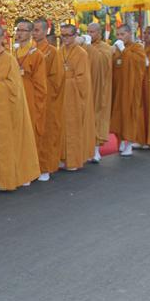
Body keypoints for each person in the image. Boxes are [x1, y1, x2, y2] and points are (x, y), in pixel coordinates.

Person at [0, 26, 40, 190]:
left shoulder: (8, 59)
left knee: (10, 143)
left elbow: (14, 87)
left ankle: (15, 176)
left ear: (2, 39)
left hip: (7, 109)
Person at [59, 24, 96, 170]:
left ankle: (74, 160)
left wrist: (66, 81)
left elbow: (83, 79)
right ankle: (63, 157)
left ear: (75, 36)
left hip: (74, 97)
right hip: (62, 96)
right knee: (62, 127)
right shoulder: (59, 51)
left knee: (73, 128)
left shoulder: (81, 53)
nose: (65, 38)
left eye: (68, 35)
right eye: (63, 35)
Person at [13, 20, 47, 176]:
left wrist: (38, 103)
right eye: (17, 30)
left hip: (30, 99)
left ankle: (32, 169)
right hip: (15, 99)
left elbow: (41, 85)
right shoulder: (12, 53)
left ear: (30, 33)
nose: (19, 33)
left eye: (23, 30)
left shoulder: (36, 54)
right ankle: (19, 168)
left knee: (31, 133)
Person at [32, 19, 63, 180]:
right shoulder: (29, 50)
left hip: (47, 98)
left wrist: (40, 84)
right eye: (33, 30)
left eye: (37, 30)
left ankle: (45, 167)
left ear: (45, 31)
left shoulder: (52, 51)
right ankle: (32, 166)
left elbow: (57, 79)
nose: (34, 33)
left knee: (46, 132)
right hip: (32, 97)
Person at [110, 25, 147, 156]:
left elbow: (138, 64)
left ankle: (129, 144)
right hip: (118, 88)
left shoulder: (137, 48)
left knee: (129, 115)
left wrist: (123, 50)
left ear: (130, 34)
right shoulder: (117, 49)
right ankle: (120, 140)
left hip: (131, 89)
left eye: (122, 34)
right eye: (118, 35)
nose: (120, 37)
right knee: (118, 115)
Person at [84, 23, 113, 163]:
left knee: (97, 117)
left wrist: (89, 47)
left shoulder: (105, 48)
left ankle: (95, 150)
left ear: (99, 33)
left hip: (100, 89)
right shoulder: (83, 46)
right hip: (85, 87)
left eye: (92, 32)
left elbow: (101, 63)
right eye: (88, 31)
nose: (89, 34)